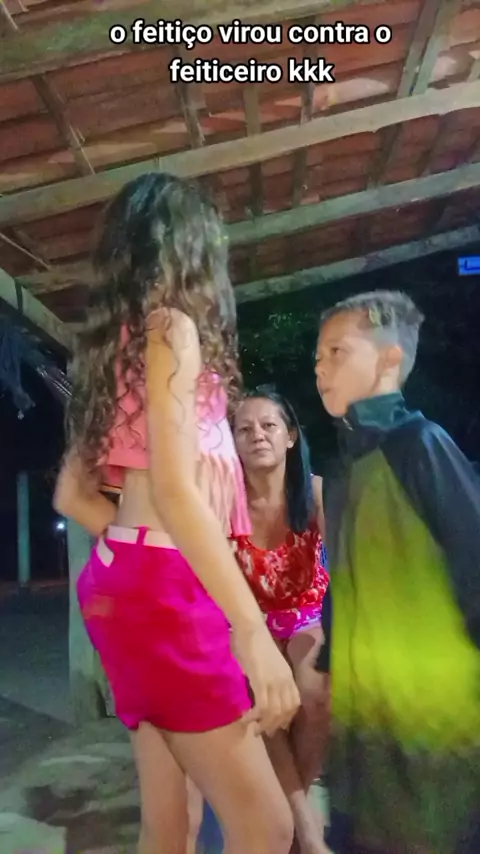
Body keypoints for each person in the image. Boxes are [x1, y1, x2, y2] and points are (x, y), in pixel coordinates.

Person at [53, 172, 300, 854]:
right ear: (192, 250)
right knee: (267, 827)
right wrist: (251, 630)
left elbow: (71, 495)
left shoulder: (119, 348)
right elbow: (174, 491)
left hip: (127, 583)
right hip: (166, 591)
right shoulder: (172, 331)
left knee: (171, 825)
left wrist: (131, 555)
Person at [314, 290, 480, 854]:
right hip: (367, 720)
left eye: (337, 351)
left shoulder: (421, 446)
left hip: (438, 724)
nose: (321, 369)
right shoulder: (343, 471)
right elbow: (343, 582)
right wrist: (327, 663)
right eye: (318, 358)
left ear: (390, 360)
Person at [233, 390, 330, 854]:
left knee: (317, 688)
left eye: (268, 425)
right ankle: (305, 831)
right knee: (267, 698)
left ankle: (293, 816)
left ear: (290, 436)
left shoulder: (315, 493)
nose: (257, 435)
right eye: (244, 428)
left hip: (307, 611)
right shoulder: (226, 504)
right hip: (250, 620)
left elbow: (346, 563)